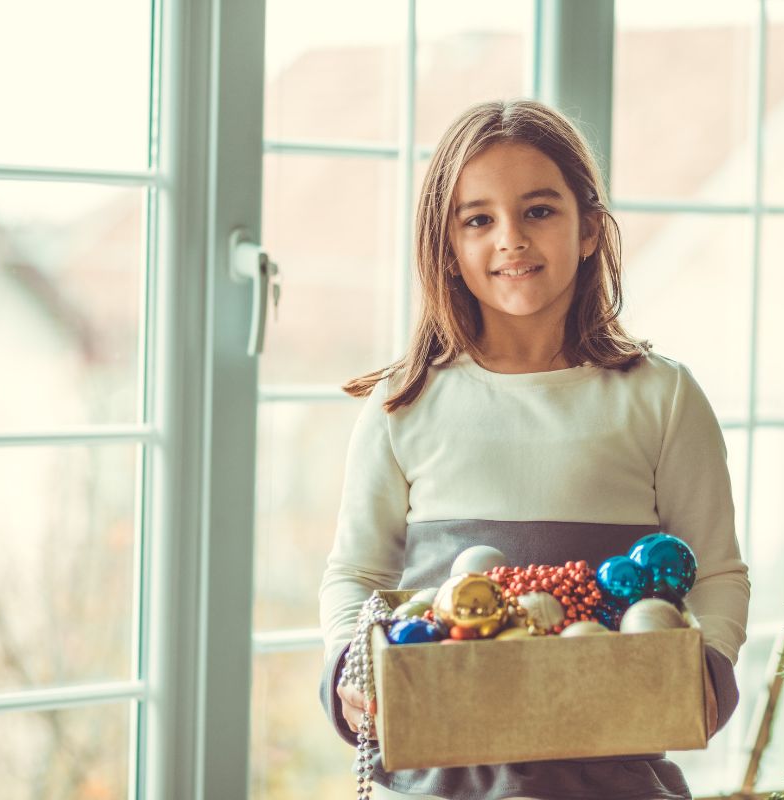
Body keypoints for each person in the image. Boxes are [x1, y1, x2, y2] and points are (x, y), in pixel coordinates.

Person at [319, 98, 750, 800]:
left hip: (614, 776)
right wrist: (349, 672)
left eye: (540, 211)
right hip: (437, 781)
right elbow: (355, 575)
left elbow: (718, 569)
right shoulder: (403, 404)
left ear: (588, 230)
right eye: (479, 220)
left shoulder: (662, 397)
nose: (511, 239)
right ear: (449, 250)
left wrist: (707, 664)